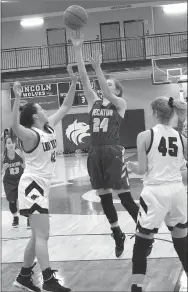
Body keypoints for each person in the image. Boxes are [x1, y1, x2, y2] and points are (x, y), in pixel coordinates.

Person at [71, 30, 139, 258]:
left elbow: (107, 93)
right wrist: (78, 49)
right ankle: (117, 232)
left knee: (125, 195)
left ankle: (143, 228)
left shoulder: (119, 103)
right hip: (95, 153)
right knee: (103, 195)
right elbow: (83, 77)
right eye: (104, 84)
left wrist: (98, 68)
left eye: (110, 85)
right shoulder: (93, 102)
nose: (105, 87)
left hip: (112, 151)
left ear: (117, 90)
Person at [11, 65, 77, 292]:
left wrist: (73, 81)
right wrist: (17, 99)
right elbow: (14, 126)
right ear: (34, 115)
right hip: (32, 185)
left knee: (36, 236)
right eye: (41, 108)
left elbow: (67, 105)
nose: (46, 109)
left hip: (42, 185)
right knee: (43, 234)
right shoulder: (30, 135)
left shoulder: (47, 128)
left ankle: (23, 277)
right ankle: (48, 280)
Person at [127, 96, 187, 292]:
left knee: (141, 243)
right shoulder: (182, 138)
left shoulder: (144, 136)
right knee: (182, 240)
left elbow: (142, 169)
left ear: (155, 113)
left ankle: (137, 287)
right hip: (177, 192)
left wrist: (130, 166)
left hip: (155, 193)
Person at [2, 135, 25, 227]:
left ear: (15, 144)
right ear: (5, 145)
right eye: (8, 143)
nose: (11, 144)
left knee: (25, 200)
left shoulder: (19, 152)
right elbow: (1, 172)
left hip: (20, 179)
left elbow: (25, 165)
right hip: (9, 182)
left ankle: (28, 218)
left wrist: (24, 165)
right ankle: (15, 217)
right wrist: (3, 168)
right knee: (12, 203)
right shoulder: (3, 156)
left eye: (12, 142)